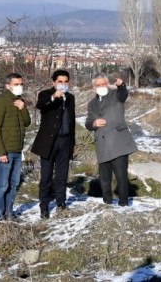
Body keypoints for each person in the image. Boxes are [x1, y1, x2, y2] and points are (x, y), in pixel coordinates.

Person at [85, 74, 137, 206]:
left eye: (103, 84)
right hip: (102, 145)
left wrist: (122, 84)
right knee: (104, 178)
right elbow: (88, 122)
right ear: (94, 87)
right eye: (98, 85)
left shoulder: (116, 95)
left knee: (121, 176)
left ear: (107, 84)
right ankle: (107, 202)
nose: (101, 86)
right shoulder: (92, 104)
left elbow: (123, 93)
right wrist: (94, 123)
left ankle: (124, 203)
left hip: (118, 142)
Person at [30, 70, 75, 219]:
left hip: (65, 141)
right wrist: (53, 97)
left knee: (62, 176)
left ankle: (61, 204)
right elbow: (40, 105)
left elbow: (72, 120)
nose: (63, 84)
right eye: (60, 81)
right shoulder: (45, 94)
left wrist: (72, 143)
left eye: (65, 81)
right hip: (49, 142)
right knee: (47, 176)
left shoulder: (70, 98)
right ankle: (44, 206)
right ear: (54, 82)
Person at [0, 72, 30, 221]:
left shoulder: (19, 101)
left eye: (21, 84)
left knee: (13, 184)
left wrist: (23, 108)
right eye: (16, 84)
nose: (20, 87)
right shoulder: (1, 102)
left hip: (17, 150)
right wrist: (1, 151)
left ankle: (9, 213)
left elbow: (27, 122)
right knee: (2, 186)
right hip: (4, 151)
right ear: (8, 86)